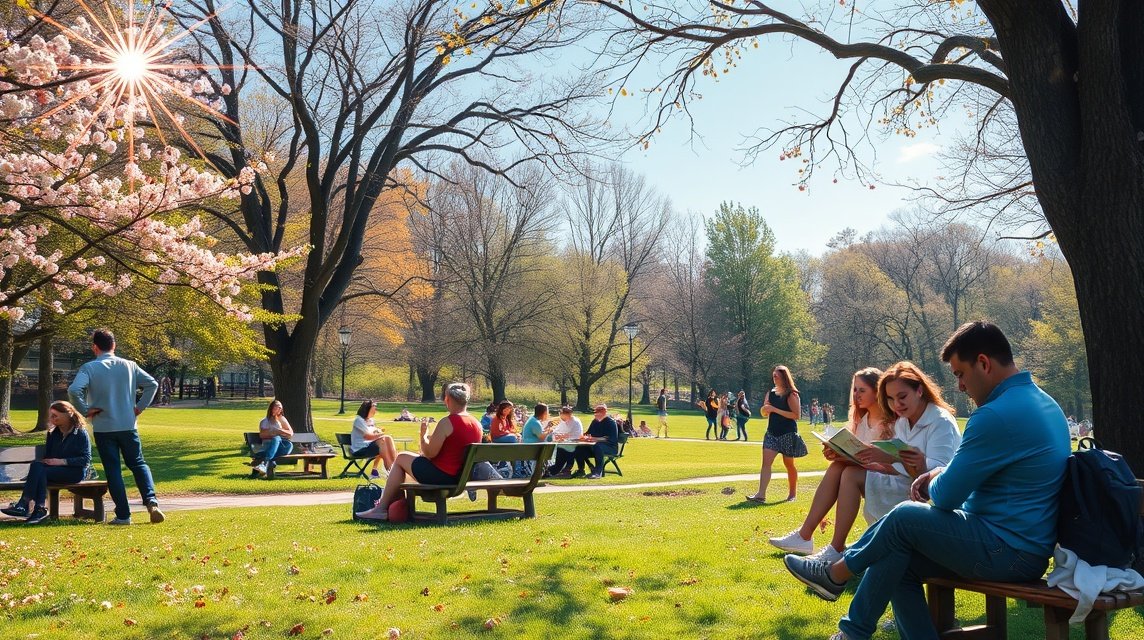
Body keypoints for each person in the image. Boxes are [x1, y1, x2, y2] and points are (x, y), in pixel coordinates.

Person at [782, 322, 1070, 640]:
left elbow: (946, 498)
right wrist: (936, 473)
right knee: (897, 558)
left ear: (984, 363)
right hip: (1020, 546)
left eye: (960, 373)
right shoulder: (1045, 403)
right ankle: (851, 631)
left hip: (1007, 550)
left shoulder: (996, 415)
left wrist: (932, 476)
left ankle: (837, 573)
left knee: (906, 515)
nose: (959, 386)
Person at [67, 328, 163, 525]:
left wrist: (85, 410)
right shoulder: (130, 365)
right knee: (138, 463)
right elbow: (152, 384)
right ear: (114, 345)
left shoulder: (89, 368)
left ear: (95, 347)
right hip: (128, 425)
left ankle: (123, 515)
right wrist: (139, 407)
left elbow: (75, 390)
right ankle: (151, 500)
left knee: (113, 470)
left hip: (104, 427)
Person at [355, 382, 483, 521]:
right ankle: (394, 508)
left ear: (447, 399)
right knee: (406, 460)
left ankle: (382, 508)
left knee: (401, 458)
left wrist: (423, 435)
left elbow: (429, 453)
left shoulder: (447, 422)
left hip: (442, 477)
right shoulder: (477, 424)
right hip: (459, 478)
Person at [0, 401, 92, 524]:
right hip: (52, 471)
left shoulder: (80, 433)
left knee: (40, 471)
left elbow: (85, 459)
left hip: (74, 472)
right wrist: (48, 461)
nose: (52, 419)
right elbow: (48, 456)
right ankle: (38, 508)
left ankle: (25, 505)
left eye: (55, 415)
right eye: (51, 416)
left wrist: (61, 461)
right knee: (38, 467)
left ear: (68, 414)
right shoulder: (53, 433)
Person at [745, 365, 805, 503]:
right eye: (773, 376)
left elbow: (796, 415)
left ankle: (792, 494)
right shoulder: (770, 393)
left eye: (776, 376)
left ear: (784, 377)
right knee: (766, 463)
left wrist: (774, 409)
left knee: (789, 464)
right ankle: (761, 495)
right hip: (772, 433)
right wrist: (765, 409)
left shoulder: (791, 394)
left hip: (788, 434)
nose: (774, 378)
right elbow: (765, 413)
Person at [351, 400, 397, 479]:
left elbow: (374, 433)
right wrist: (381, 434)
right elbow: (368, 437)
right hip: (360, 449)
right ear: (368, 409)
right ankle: (390, 471)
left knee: (388, 438)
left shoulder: (370, 420)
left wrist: (378, 432)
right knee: (382, 441)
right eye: (374, 407)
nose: (376, 410)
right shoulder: (359, 420)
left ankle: (395, 466)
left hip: (369, 445)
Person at [576, 403, 619, 479]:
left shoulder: (611, 422)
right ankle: (581, 470)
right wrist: (581, 437)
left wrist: (594, 439)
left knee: (598, 446)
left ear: (605, 412)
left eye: (599, 411)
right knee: (579, 448)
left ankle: (597, 472)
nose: (596, 413)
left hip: (610, 447)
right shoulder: (595, 422)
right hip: (595, 446)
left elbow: (608, 438)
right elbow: (588, 434)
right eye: (596, 411)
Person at [254, 399, 295, 477]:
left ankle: (263, 460)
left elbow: (291, 433)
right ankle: (266, 462)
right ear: (272, 408)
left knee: (288, 444)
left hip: (283, 446)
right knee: (276, 438)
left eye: (281, 408)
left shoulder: (282, 419)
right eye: (278, 407)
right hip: (269, 445)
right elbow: (262, 435)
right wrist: (273, 434)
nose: (280, 409)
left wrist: (279, 431)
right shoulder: (265, 421)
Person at [519, 403, 556, 477]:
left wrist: (547, 427)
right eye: (547, 412)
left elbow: (539, 432)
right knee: (552, 443)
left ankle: (545, 471)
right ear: (544, 413)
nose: (548, 414)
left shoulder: (533, 419)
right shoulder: (535, 423)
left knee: (550, 441)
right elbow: (541, 437)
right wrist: (550, 430)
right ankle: (540, 473)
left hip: (533, 445)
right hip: (533, 447)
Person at [547, 406, 585, 478]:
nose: (560, 416)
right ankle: (550, 472)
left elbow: (572, 434)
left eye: (562, 414)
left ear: (568, 414)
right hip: (564, 443)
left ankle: (567, 469)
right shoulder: (563, 421)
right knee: (558, 463)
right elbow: (557, 431)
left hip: (573, 442)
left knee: (568, 449)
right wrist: (557, 435)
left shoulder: (574, 421)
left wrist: (561, 436)